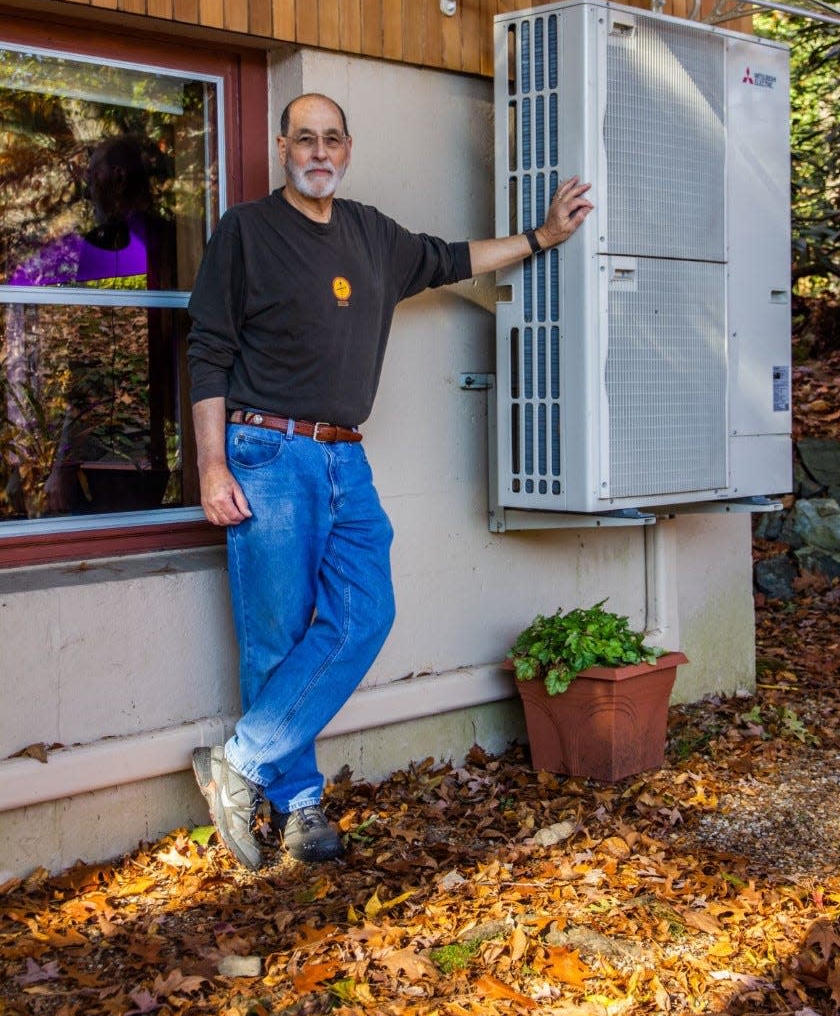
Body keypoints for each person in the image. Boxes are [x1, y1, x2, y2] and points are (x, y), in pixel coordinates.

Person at [186, 93, 593, 870]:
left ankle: (238, 758)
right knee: (277, 633)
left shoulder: (372, 234)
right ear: (282, 148)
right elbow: (207, 350)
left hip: (345, 456)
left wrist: (543, 236)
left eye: (331, 138)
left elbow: (453, 257)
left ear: (347, 148)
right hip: (264, 450)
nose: (318, 151)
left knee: (364, 612)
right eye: (303, 138)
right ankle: (300, 807)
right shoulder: (247, 230)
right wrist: (211, 465)